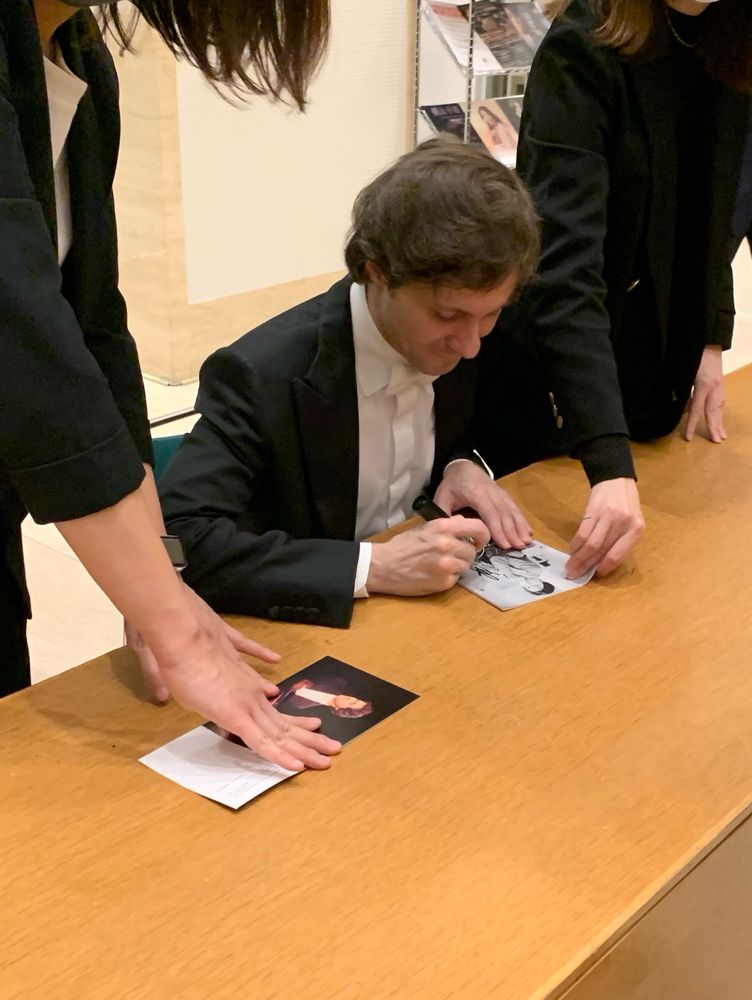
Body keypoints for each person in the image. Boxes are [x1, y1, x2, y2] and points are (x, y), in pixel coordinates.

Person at [0, 0, 341, 772]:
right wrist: (175, 632)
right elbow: (23, 340)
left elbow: (94, 327)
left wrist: (163, 581)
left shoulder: (81, 62)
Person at [158, 139, 540, 628]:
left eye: (490, 316)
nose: (470, 346)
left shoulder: (468, 329)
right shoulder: (260, 373)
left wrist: (460, 464)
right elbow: (178, 539)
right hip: (303, 628)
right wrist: (373, 566)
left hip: (433, 617)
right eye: (447, 316)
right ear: (376, 273)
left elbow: (457, 432)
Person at [476, 0, 752, 582]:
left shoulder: (731, 37)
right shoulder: (584, 45)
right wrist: (607, 461)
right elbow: (564, 270)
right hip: (556, 401)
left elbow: (717, 209)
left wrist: (710, 334)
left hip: (654, 395)